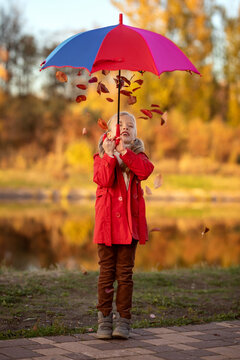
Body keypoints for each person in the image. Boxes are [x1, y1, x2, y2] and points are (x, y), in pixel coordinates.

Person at [93, 111, 154, 339]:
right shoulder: (100, 158)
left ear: (135, 135)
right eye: (119, 124)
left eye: (130, 125)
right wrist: (110, 155)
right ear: (109, 133)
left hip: (129, 228)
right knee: (106, 274)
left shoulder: (138, 156)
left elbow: (146, 171)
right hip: (107, 227)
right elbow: (103, 179)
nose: (125, 127)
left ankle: (124, 321)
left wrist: (123, 152)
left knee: (125, 275)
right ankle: (104, 320)